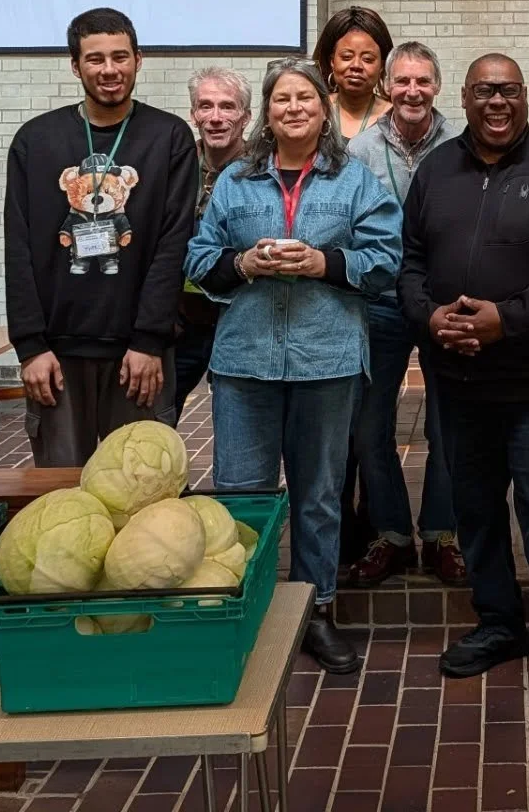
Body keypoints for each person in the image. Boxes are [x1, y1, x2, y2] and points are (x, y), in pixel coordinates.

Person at [398, 54, 529, 730]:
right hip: (459, 380)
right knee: (477, 510)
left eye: (508, 90)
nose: (496, 101)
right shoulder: (436, 172)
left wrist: (503, 322)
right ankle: (498, 623)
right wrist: (432, 318)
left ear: (524, 95)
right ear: (465, 97)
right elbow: (410, 263)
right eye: (484, 90)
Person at [185, 57, 402, 675]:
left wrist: (326, 263)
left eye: (305, 97)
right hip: (245, 362)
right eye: (282, 98)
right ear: (267, 112)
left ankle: (318, 612)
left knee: (318, 497)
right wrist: (245, 263)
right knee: (242, 494)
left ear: (324, 107)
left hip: (326, 360)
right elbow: (200, 258)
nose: (294, 108)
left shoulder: (354, 182)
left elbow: (387, 258)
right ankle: (243, 609)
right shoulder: (235, 183)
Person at [5, 8, 195, 466]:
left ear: (138, 60)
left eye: (119, 57)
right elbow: (19, 248)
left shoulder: (169, 137)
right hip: (57, 354)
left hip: (138, 354)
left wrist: (149, 339)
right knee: (61, 495)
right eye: (95, 59)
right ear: (76, 66)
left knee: (139, 491)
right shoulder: (36, 140)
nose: (109, 70)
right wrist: (30, 347)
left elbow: (173, 246)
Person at [346, 41, 464, 587]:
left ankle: (441, 533)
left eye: (423, 81)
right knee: (370, 425)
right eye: (402, 82)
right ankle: (391, 534)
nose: (412, 91)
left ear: (437, 86)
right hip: (381, 301)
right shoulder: (360, 150)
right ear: (386, 87)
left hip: (444, 303)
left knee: (448, 425)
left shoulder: (462, 147)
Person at [173, 66, 252, 424]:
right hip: (182, 321)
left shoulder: (261, 171)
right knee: (157, 417)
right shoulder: (174, 168)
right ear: (193, 114)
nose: (216, 118)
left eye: (228, 107)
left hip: (238, 317)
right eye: (205, 106)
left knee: (239, 422)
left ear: (246, 117)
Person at [313, 5, 393, 140]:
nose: (356, 65)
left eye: (368, 59)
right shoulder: (314, 110)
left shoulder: (394, 117)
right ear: (332, 61)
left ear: (382, 65)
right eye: (346, 57)